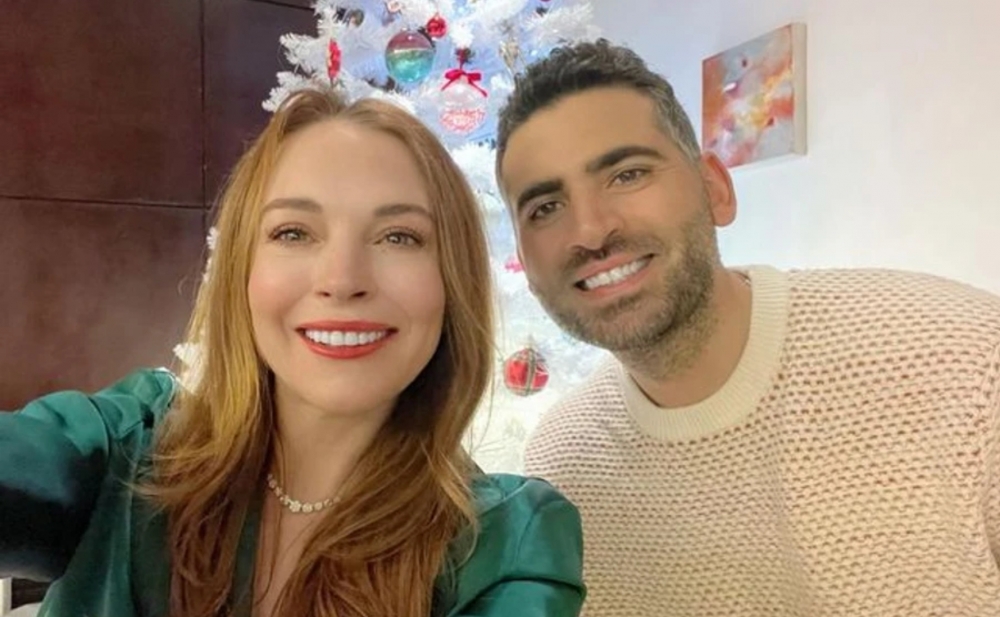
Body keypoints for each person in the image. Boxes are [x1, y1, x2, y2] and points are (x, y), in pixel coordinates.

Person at [0, 87, 585, 617]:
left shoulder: (507, 543)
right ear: (242, 270)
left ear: (452, 281)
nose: (342, 280)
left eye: (398, 236)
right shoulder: (127, 450)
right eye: (293, 232)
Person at [495, 38, 1000, 615]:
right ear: (524, 263)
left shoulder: (967, 365)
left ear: (715, 189)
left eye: (627, 174)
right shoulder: (562, 465)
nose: (590, 230)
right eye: (545, 208)